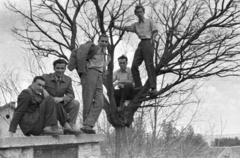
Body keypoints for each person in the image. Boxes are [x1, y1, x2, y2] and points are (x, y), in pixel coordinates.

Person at [9, 76, 81, 137]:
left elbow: (48, 106)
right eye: (39, 85)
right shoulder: (26, 93)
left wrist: (47, 96)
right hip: (29, 124)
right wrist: (11, 132)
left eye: (43, 86)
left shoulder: (39, 95)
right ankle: (47, 128)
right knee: (50, 99)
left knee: (55, 101)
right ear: (32, 83)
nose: (41, 88)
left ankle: (67, 127)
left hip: (37, 123)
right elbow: (18, 112)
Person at [68, 34, 110, 134]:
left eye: (106, 41)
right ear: (98, 41)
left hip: (99, 76)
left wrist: (107, 62)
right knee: (88, 99)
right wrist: (82, 70)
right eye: (102, 41)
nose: (104, 43)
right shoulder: (92, 48)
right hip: (90, 73)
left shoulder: (104, 53)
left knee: (100, 102)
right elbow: (80, 54)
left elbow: (99, 65)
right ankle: (86, 126)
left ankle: (89, 124)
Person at [112, 5, 158, 94]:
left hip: (148, 42)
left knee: (149, 65)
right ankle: (138, 86)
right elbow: (125, 28)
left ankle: (153, 88)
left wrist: (152, 40)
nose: (139, 13)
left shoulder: (149, 22)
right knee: (134, 66)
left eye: (141, 12)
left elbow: (155, 31)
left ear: (143, 12)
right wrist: (114, 26)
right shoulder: (135, 25)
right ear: (136, 14)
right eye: (138, 12)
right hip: (141, 43)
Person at [42, 59, 80, 129]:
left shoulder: (68, 79)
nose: (60, 70)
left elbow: (71, 95)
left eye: (62, 68)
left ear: (65, 69)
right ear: (54, 68)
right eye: (58, 68)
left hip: (60, 104)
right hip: (48, 106)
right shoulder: (46, 77)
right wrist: (46, 95)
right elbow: (38, 87)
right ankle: (54, 126)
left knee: (76, 103)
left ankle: (70, 127)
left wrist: (61, 99)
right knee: (54, 129)